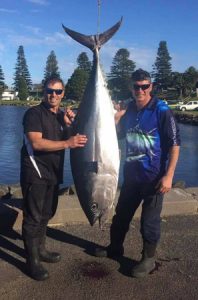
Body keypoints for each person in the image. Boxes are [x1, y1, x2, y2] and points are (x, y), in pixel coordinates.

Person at [94, 69, 180, 278]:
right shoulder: (129, 109)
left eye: (144, 86)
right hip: (131, 176)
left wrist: (168, 176)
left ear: (151, 86)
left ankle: (148, 259)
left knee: (149, 222)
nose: (140, 90)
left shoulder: (161, 110)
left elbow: (174, 145)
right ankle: (115, 247)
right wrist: (115, 119)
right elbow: (118, 136)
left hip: (154, 179)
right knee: (121, 216)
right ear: (131, 88)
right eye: (136, 86)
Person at [20, 77, 87, 281]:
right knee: (33, 218)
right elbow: (37, 144)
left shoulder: (60, 115)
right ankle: (32, 262)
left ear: (63, 94)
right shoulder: (33, 114)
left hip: (53, 174)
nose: (54, 95)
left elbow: (65, 137)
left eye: (58, 92)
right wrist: (68, 142)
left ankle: (41, 250)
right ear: (44, 92)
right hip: (35, 173)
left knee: (47, 214)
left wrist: (68, 125)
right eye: (50, 90)